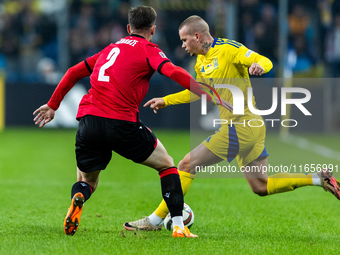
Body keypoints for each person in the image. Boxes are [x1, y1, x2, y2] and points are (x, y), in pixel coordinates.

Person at [124, 15, 340, 231]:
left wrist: (259, 67)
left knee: (186, 165)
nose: (183, 45)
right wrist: (166, 100)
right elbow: (199, 91)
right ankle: (318, 178)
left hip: (242, 126)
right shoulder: (201, 61)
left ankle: (154, 221)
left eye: (184, 40)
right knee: (261, 186)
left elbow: (265, 61)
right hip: (249, 127)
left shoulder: (229, 49)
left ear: (197, 36)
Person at [33, 7, 230, 238]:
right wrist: (203, 90)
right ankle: (178, 225)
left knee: (87, 181)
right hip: (121, 123)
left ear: (128, 28)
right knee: (167, 165)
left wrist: (53, 104)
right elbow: (173, 71)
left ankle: (79, 198)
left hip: (89, 121)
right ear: (153, 30)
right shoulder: (150, 50)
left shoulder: (109, 49)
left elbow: (73, 71)